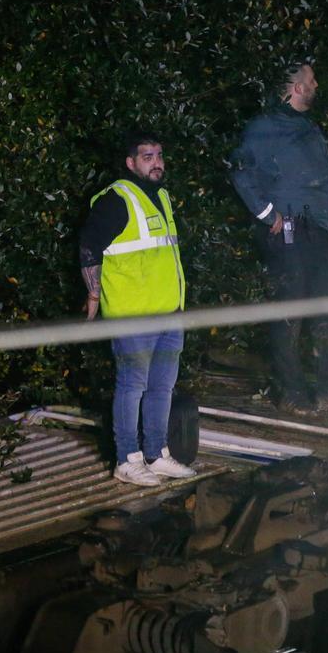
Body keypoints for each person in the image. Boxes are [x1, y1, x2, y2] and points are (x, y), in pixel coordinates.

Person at [229, 62, 328, 415]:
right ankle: (291, 392)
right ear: (295, 87)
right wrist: (266, 214)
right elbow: (240, 171)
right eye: (311, 79)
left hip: (317, 230)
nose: (316, 83)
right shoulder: (265, 127)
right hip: (287, 230)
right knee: (290, 312)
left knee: (325, 311)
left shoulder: (307, 127)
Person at [79, 131, 196, 486]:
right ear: (130, 163)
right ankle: (126, 459)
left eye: (159, 155)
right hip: (133, 315)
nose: (157, 162)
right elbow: (88, 248)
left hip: (169, 311)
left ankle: (156, 454)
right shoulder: (117, 198)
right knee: (132, 387)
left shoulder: (160, 196)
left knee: (162, 387)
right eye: (148, 157)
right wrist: (94, 297)